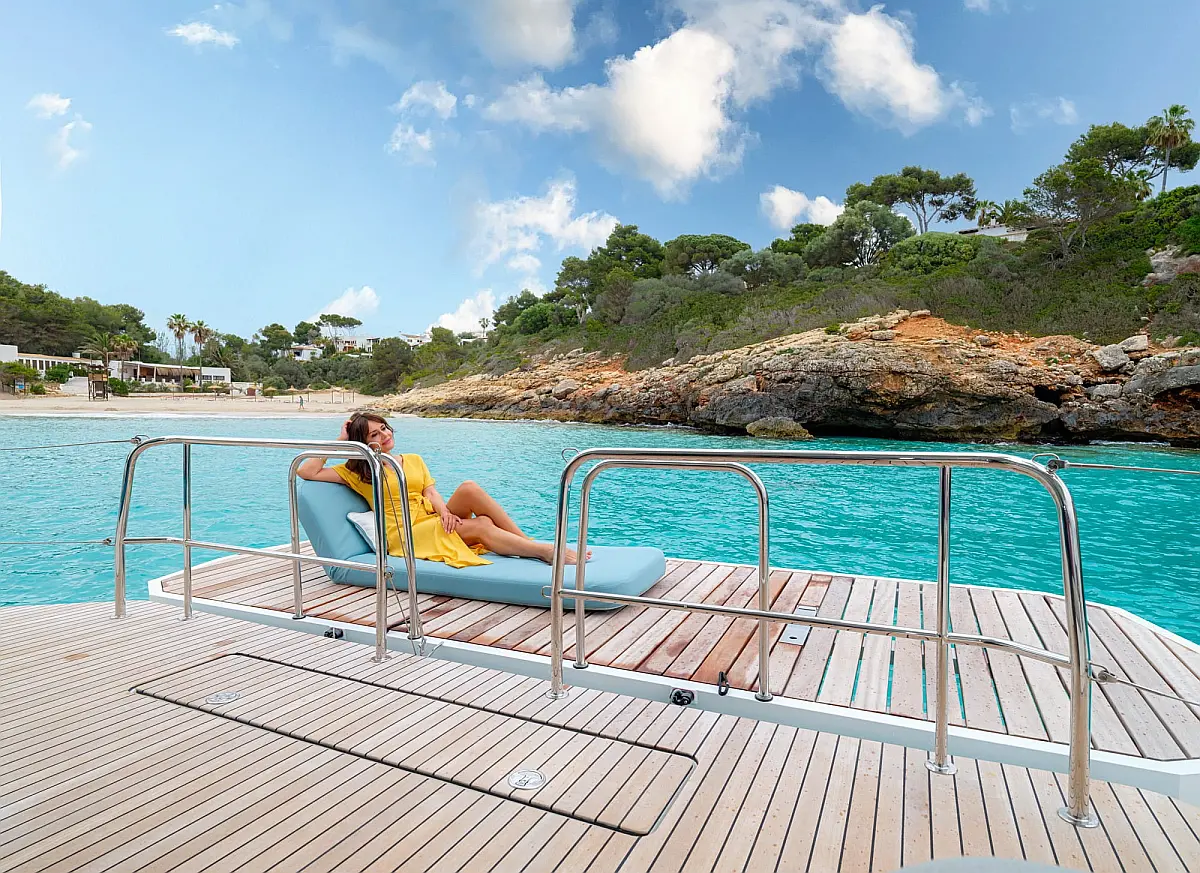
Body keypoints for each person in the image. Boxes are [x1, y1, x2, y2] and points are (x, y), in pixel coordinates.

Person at [297, 412, 585, 566]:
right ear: (363, 442)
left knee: (469, 488)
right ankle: (543, 552)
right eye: (375, 434)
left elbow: (431, 493)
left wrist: (445, 512)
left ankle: (524, 541)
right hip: (406, 531)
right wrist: (342, 440)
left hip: (430, 516)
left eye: (384, 428)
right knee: (482, 525)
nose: (384, 434)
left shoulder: (412, 459)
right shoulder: (358, 472)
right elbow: (307, 471)